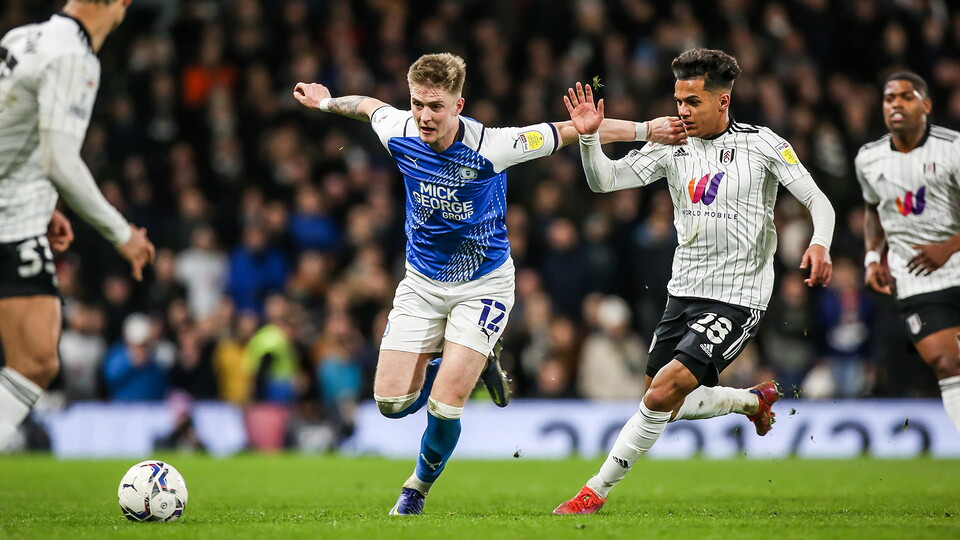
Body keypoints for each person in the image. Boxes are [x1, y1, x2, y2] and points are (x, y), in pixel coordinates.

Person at [293, 52, 685, 515]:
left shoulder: (494, 145)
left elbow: (568, 129)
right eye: (418, 103)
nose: (423, 115)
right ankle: (463, 364)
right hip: (421, 283)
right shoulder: (398, 129)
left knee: (444, 405)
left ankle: (415, 489)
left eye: (436, 106)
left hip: (483, 285)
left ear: (459, 105)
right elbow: (368, 105)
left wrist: (645, 130)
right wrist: (327, 102)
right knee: (391, 404)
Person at [553, 48, 836, 514]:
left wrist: (820, 243)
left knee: (663, 391)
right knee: (664, 400)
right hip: (682, 289)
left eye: (693, 101)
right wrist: (588, 140)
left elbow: (817, 200)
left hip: (737, 296)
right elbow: (606, 182)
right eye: (678, 100)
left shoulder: (763, 144)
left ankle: (593, 492)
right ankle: (750, 401)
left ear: (723, 101)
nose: (681, 110)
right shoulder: (671, 143)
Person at [0, 0, 155, 448]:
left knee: (36, 359)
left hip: (20, 212)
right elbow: (61, 162)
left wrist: (43, 202)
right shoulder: (73, 56)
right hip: (10, 225)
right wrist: (121, 232)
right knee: (34, 360)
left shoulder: (22, 38)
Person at [855, 71, 960, 433]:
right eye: (889, 98)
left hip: (957, 260)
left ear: (926, 105)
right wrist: (872, 258)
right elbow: (873, 210)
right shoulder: (868, 158)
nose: (896, 103)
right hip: (914, 275)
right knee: (946, 362)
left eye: (906, 96)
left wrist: (948, 247)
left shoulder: (953, 148)